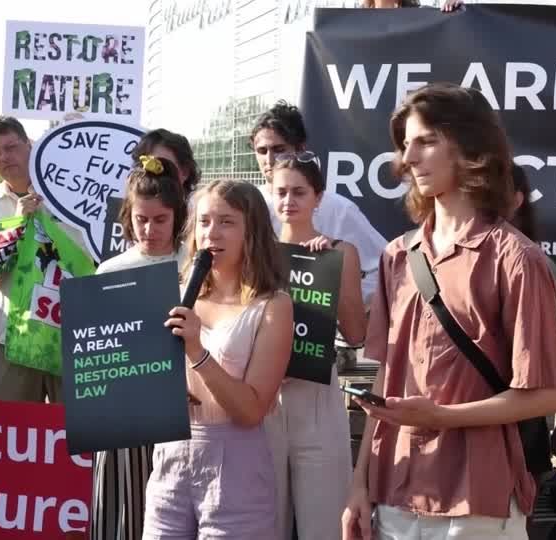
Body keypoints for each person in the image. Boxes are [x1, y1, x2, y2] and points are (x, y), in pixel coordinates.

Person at [342, 83, 556, 540]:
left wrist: (440, 417)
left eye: (426, 141)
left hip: (477, 500)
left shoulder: (516, 258)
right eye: (406, 145)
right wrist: (359, 483)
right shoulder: (396, 256)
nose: (409, 158)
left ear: (469, 147)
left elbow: (545, 396)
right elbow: (383, 383)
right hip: (394, 489)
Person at [144, 179, 294, 538]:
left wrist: (196, 350)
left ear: (252, 231)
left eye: (227, 222)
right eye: (205, 221)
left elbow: (251, 410)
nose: (213, 233)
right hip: (171, 457)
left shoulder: (273, 306)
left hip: (236, 466)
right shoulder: (173, 294)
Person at [265, 154, 366, 539]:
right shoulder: (257, 256)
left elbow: (356, 334)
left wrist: (329, 275)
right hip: (265, 401)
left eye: (299, 192)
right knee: (265, 524)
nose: (289, 200)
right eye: (281, 192)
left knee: (323, 527)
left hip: (320, 399)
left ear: (319, 197)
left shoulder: (340, 253)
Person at [91, 155, 189, 540]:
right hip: (124, 414)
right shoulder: (110, 271)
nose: (150, 229)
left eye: (160, 219)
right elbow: (96, 349)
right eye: (141, 219)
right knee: (123, 510)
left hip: (183, 408)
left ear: (178, 216)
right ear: (127, 217)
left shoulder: (194, 265)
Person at [250, 101, 386, 372]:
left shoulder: (339, 209)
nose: (269, 159)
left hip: (316, 359)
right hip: (256, 359)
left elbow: (383, 266)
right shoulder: (247, 205)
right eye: (261, 150)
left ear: (300, 148)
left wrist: (330, 294)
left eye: (279, 149)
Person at [0, 115, 85, 402]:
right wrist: (16, 224)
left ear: (30, 145)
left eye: (11, 147)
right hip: (14, 337)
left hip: (74, 335)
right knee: (10, 434)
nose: (4, 157)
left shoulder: (71, 192)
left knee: (76, 434)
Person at [131, 128, 201, 199]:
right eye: (143, 165)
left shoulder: (201, 209)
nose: (149, 176)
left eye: (158, 167)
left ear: (184, 172)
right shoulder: (123, 207)